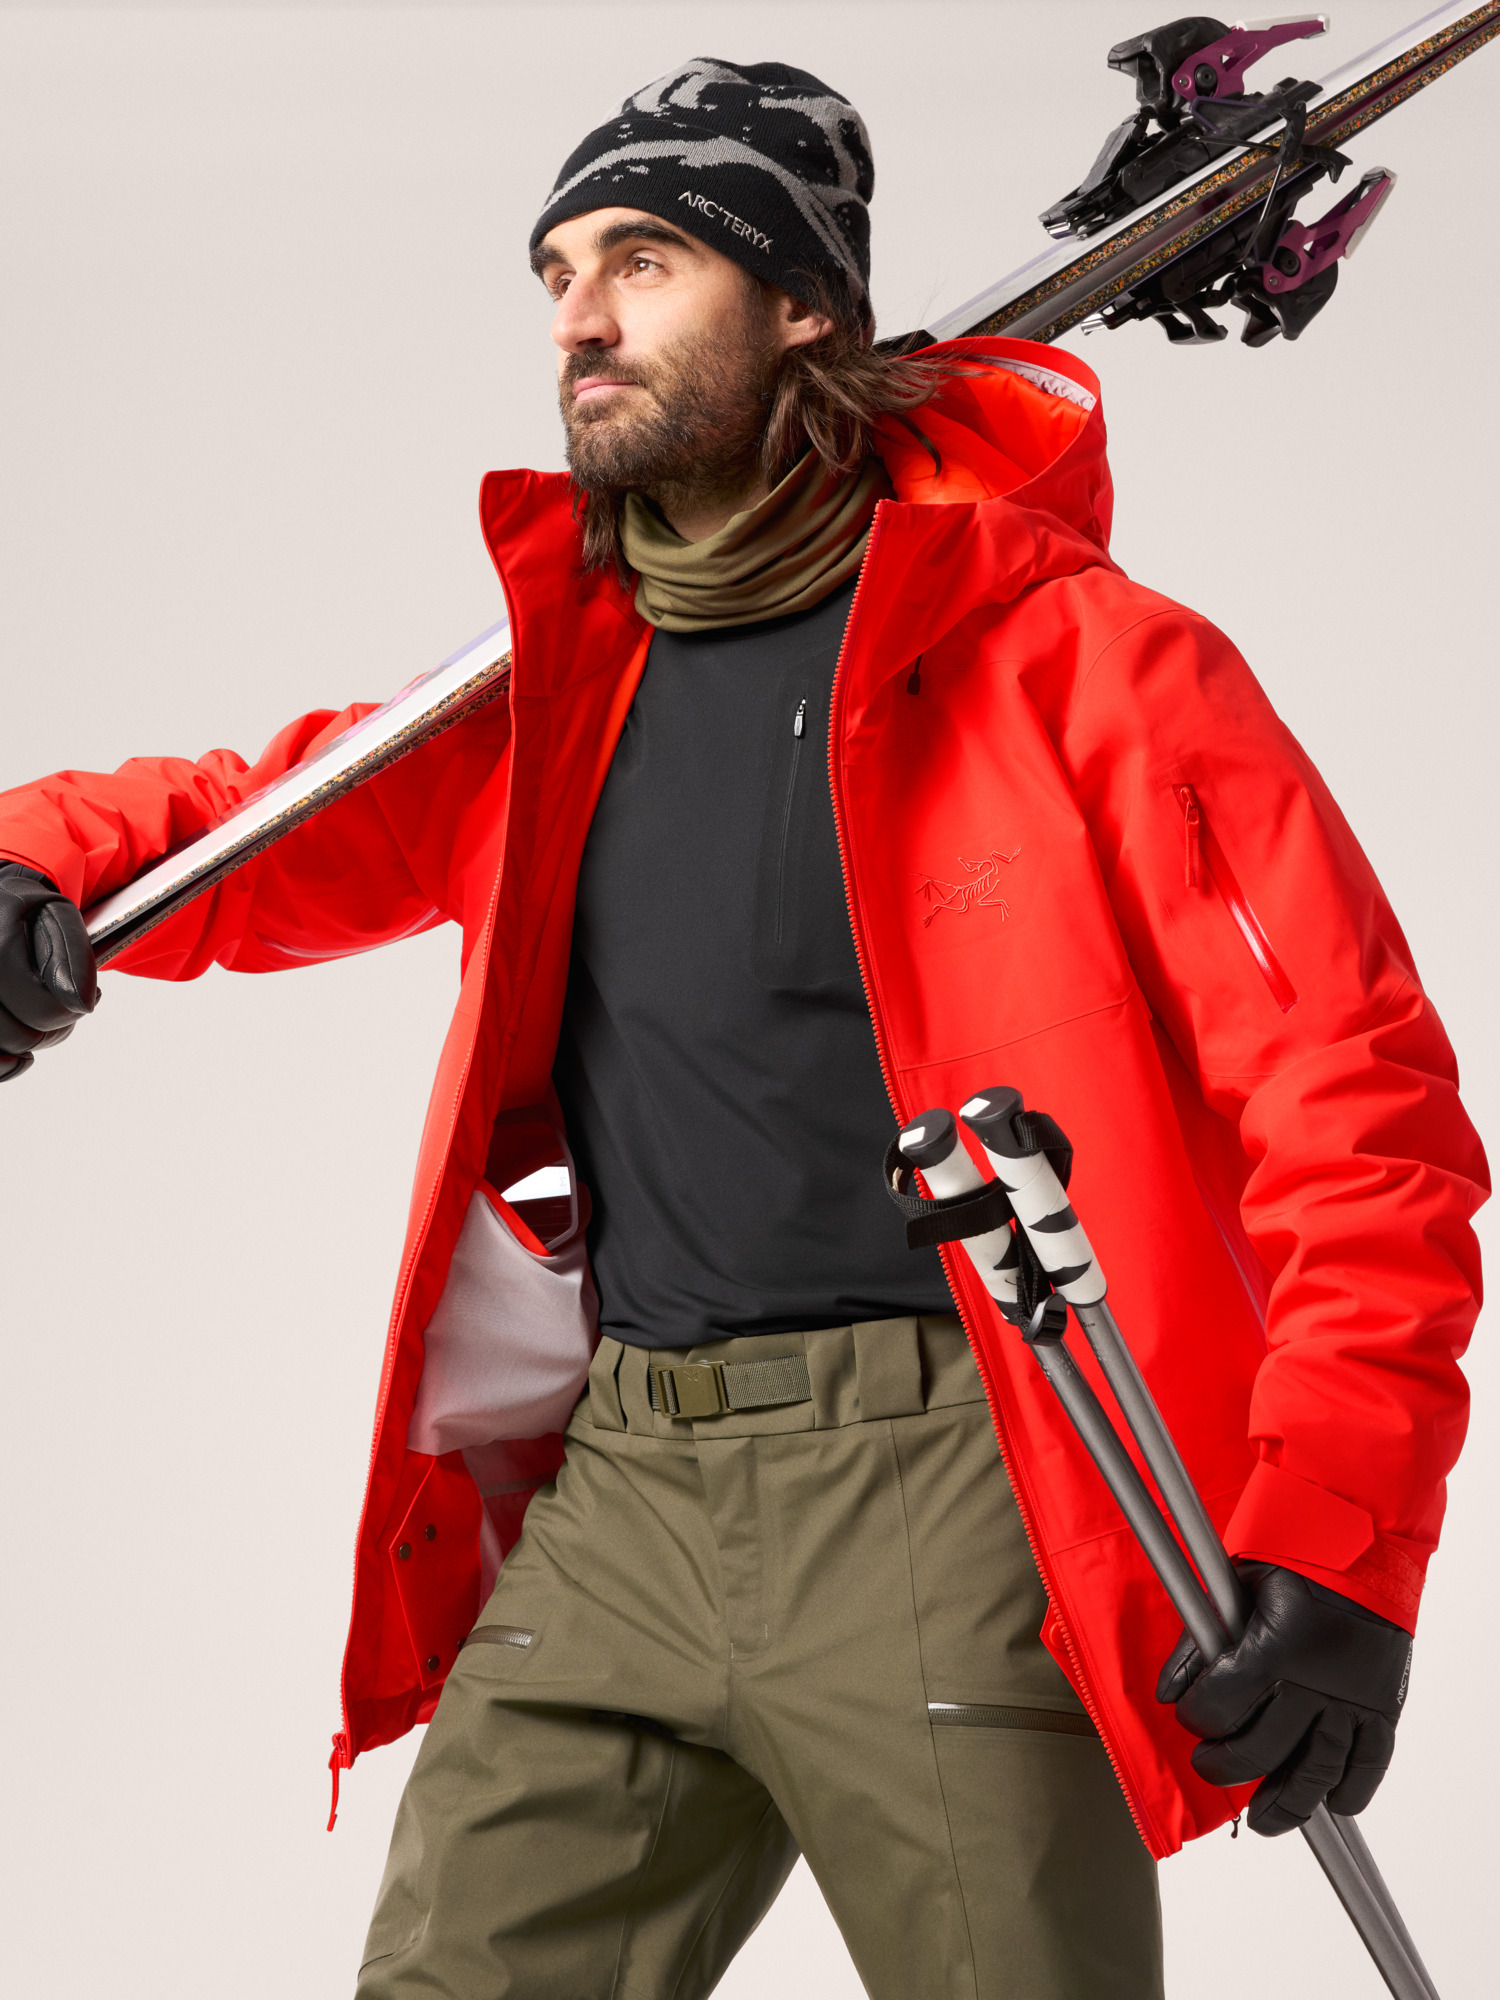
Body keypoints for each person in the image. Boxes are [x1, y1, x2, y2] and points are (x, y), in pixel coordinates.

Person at [0, 56, 1485, 2000]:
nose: (579, 318)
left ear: (800, 303)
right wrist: (27, 863)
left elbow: (1361, 1114)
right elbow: (247, 820)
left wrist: (1343, 1533)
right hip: (618, 1490)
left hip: (954, 1489)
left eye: (645, 259)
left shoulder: (1085, 665)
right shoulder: (548, 700)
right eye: (557, 273)